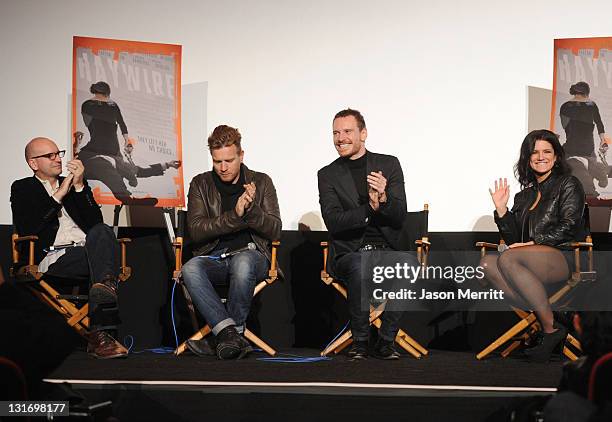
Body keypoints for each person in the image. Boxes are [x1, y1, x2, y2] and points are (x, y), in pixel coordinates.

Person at [10, 137, 128, 359]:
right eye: (50, 155)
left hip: (88, 251)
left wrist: (80, 186)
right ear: (33, 163)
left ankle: (105, 293)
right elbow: (30, 225)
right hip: (53, 255)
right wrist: (59, 194)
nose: (57, 159)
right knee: (102, 264)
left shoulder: (75, 185)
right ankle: (103, 329)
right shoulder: (23, 188)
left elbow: (95, 225)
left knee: (103, 231)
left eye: (58, 153)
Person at [317, 108, 419, 360]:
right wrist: (369, 208)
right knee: (361, 265)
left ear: (363, 133)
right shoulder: (327, 174)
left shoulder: (389, 164)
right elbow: (334, 222)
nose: (340, 138)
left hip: (388, 250)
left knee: (409, 264)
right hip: (351, 253)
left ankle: (386, 340)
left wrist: (383, 199)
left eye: (347, 131)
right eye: (336, 133)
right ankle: (360, 341)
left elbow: (399, 215)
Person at [482, 129, 587, 362]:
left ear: (557, 156)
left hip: (564, 256)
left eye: (547, 151)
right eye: (535, 152)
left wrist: (535, 242)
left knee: (508, 258)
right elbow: (513, 241)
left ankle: (549, 330)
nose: (541, 156)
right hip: (527, 262)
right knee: (488, 263)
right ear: (527, 159)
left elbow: (570, 225)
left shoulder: (568, 184)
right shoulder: (523, 197)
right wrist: (502, 211)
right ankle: (552, 317)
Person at [181, 125, 281, 360]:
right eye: (217, 162)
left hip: (252, 255)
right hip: (214, 257)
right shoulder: (200, 184)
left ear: (241, 155)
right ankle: (231, 336)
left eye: (229, 160)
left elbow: (275, 230)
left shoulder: (262, 181)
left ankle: (223, 337)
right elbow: (196, 231)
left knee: (243, 261)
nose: (223, 168)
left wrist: (251, 212)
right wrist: (235, 216)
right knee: (190, 268)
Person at [79, 81, 180, 205]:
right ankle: (128, 199)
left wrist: (168, 164)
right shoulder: (89, 105)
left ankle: (130, 197)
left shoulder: (112, 106)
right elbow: (96, 118)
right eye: (104, 98)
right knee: (106, 167)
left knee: (129, 169)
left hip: (113, 156)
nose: (107, 101)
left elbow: (142, 171)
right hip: (91, 155)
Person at [560, 81, 610, 196]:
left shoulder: (565, 106)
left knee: (577, 179)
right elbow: (599, 123)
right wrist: (602, 139)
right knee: (590, 176)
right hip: (588, 148)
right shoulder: (591, 105)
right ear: (587, 93)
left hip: (571, 148)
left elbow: (565, 127)